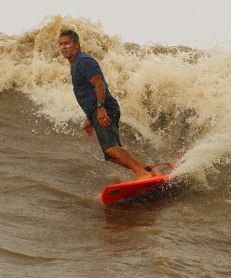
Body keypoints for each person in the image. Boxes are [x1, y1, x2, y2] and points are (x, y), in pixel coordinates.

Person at [58, 29, 158, 180]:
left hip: (105, 107)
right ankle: (146, 169)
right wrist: (90, 118)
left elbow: (99, 85)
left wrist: (100, 108)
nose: (63, 47)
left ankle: (142, 173)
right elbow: (87, 92)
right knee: (110, 155)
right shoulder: (75, 65)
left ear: (77, 44)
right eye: (61, 44)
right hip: (98, 110)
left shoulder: (83, 61)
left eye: (67, 43)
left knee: (111, 148)